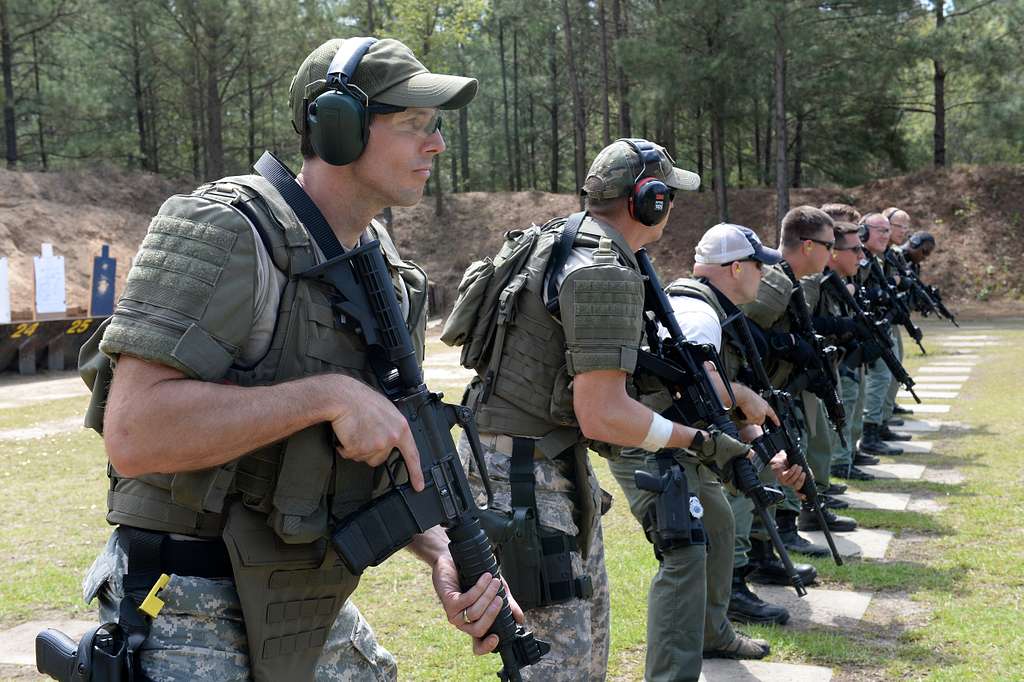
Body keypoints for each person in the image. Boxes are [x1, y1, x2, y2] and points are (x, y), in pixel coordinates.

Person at [76, 37, 517, 682]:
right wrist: (327, 395)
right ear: (336, 128)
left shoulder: (385, 277)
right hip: (188, 604)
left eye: (436, 126)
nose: (437, 145)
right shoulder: (224, 231)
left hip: (302, 602)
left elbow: (380, 462)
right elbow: (135, 433)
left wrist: (442, 554)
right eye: (414, 125)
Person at [451, 138, 755, 681]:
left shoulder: (559, 240)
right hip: (526, 476)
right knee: (559, 664)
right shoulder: (602, 270)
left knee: (583, 653)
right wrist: (698, 441)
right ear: (649, 200)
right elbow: (603, 414)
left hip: (530, 462)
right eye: (668, 196)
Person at [607, 223, 809, 680]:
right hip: (651, 444)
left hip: (675, 439)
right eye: (759, 266)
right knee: (685, 550)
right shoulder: (699, 313)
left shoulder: (706, 307)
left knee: (716, 522)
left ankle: (711, 632)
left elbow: (700, 397)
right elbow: (702, 381)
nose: (764, 276)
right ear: (736, 268)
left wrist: (758, 441)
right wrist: (741, 395)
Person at [731, 206, 857, 576]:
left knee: (771, 473)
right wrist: (784, 344)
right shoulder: (775, 284)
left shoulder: (794, 280)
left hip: (770, 392)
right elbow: (737, 329)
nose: (831, 253)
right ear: (807, 245)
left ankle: (762, 554)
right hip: (748, 397)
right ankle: (750, 562)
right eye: (827, 245)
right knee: (757, 473)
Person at [858, 212, 906, 457]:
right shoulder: (862, 259)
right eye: (881, 230)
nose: (886, 236)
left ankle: (876, 429)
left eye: (888, 231)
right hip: (865, 329)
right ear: (863, 232)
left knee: (883, 378)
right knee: (877, 380)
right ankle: (869, 435)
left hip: (878, 324)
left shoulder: (875, 259)